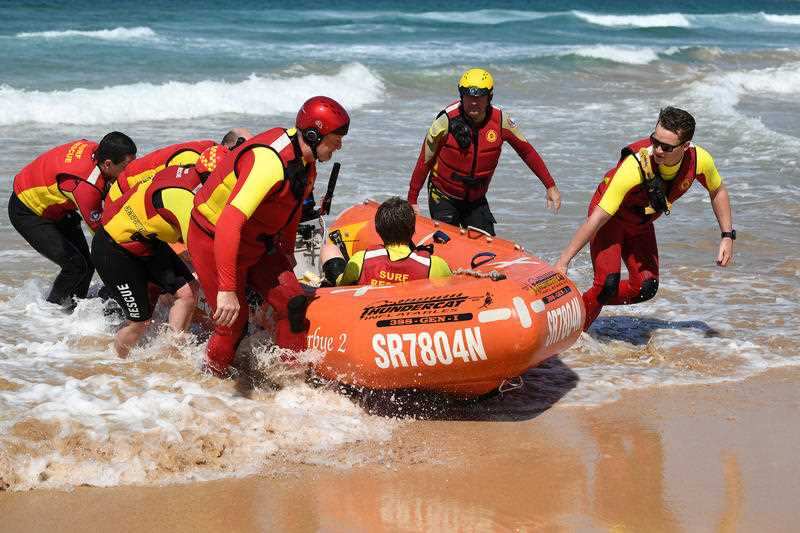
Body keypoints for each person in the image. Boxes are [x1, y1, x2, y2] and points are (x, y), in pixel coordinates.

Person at [187, 96, 349, 375]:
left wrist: (286, 253)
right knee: (232, 325)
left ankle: (291, 379)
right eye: (336, 138)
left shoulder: (305, 162)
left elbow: (293, 206)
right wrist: (226, 290)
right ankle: (210, 385)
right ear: (313, 135)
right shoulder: (269, 162)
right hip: (214, 240)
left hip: (258, 242)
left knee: (294, 303)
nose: (340, 145)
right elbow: (229, 223)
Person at [554, 106, 735, 330]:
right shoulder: (635, 166)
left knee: (646, 287)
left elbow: (718, 191)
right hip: (610, 219)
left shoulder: (700, 160)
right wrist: (563, 262)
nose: (657, 150)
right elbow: (598, 218)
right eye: (654, 141)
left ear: (685, 146)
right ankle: (573, 330)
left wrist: (727, 235)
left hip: (640, 223)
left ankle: (577, 305)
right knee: (607, 283)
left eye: (666, 147)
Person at [90, 144, 229, 356]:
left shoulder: (190, 171)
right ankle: (115, 367)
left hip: (147, 241)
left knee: (187, 293)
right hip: (114, 248)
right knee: (139, 322)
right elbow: (200, 251)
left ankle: (170, 355)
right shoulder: (184, 199)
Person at [406, 68, 561, 236]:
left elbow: (527, 152)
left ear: (490, 97)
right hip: (443, 195)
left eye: (479, 97)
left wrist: (550, 185)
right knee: (446, 244)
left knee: (487, 249)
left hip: (476, 200)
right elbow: (425, 159)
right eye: (468, 97)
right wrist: (412, 199)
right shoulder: (445, 121)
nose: (473, 102)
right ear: (461, 96)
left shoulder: (501, 122)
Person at [8, 132, 137, 308]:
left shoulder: (99, 151)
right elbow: (103, 237)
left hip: (57, 205)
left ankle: (74, 309)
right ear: (107, 164)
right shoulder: (86, 187)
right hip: (28, 211)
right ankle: (50, 314)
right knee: (75, 266)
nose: (129, 171)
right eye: (125, 167)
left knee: (87, 264)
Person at [320, 197, 451, 286]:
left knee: (329, 249)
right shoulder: (434, 265)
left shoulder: (361, 259)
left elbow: (341, 283)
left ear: (378, 230)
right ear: (413, 229)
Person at [106, 128, 253, 202]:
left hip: (144, 195)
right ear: (230, 148)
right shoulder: (196, 160)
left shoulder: (211, 151)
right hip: (121, 197)